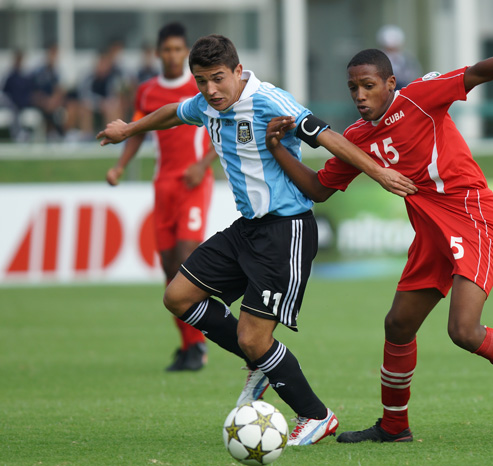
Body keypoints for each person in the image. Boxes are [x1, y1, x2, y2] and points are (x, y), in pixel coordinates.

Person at [264, 25, 493, 442]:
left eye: (368, 85)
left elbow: (477, 72)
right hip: (431, 233)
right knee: (397, 325)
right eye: (352, 87)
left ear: (390, 84)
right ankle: (395, 428)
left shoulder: (420, 97)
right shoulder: (357, 138)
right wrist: (278, 152)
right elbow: (320, 189)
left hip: (473, 218)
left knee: (464, 332)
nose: (359, 95)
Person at [97, 34, 416, 446]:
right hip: (246, 229)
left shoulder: (270, 100)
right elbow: (173, 113)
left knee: (253, 337)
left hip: (286, 231)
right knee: (178, 296)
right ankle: (261, 363)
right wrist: (129, 129)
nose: (210, 90)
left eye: (217, 79)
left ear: (237, 70)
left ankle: (316, 416)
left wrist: (379, 172)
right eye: (200, 81)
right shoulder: (206, 103)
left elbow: (328, 137)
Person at [105, 23, 217, 372]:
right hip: (163, 185)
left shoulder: (200, 86)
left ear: (185, 52)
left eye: (177, 49)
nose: (172, 55)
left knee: (187, 260)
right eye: (166, 49)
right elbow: (139, 131)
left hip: (194, 183)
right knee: (170, 270)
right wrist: (121, 165)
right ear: (158, 53)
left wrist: (202, 164)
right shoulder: (147, 91)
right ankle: (187, 346)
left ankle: (200, 346)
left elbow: (221, 126)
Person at [376, 24, 422, 89]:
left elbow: (413, 78)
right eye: (389, 49)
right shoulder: (376, 61)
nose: (392, 53)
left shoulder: (408, 61)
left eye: (394, 49)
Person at [1, 49, 34, 141]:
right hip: (8, 101)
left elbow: (28, 91)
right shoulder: (9, 74)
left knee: (16, 108)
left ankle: (19, 133)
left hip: (20, 103)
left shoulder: (25, 76)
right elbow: (4, 91)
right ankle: (17, 134)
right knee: (13, 107)